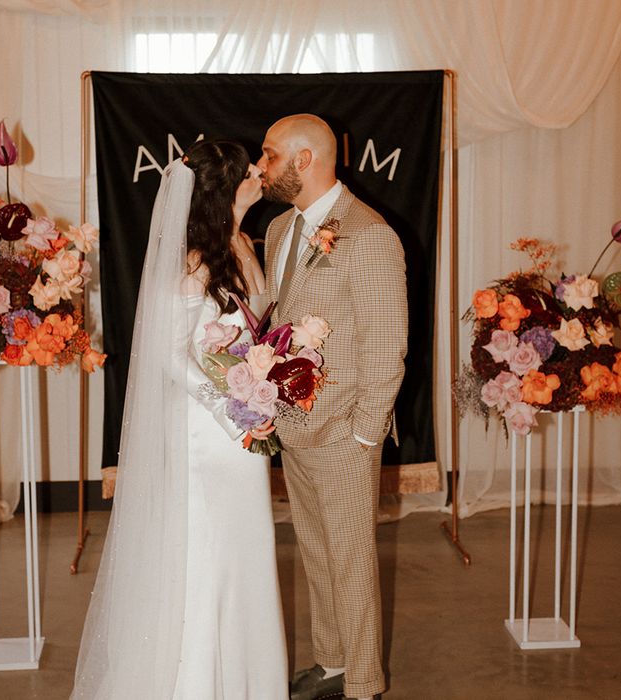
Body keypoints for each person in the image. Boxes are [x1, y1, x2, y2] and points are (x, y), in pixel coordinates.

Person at [71, 140, 287, 699]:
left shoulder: (243, 243)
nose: (262, 172)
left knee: (245, 558)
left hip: (245, 426)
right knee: (211, 560)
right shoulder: (195, 260)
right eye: (250, 169)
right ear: (225, 187)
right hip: (211, 435)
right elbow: (169, 354)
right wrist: (231, 410)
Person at [258, 114, 408, 700]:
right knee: (317, 553)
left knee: (351, 561)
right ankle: (333, 661)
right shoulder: (278, 230)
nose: (260, 166)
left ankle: (364, 684)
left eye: (270, 156)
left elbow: (386, 344)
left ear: (304, 161)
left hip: (345, 433)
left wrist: (365, 434)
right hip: (295, 425)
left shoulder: (370, 234)